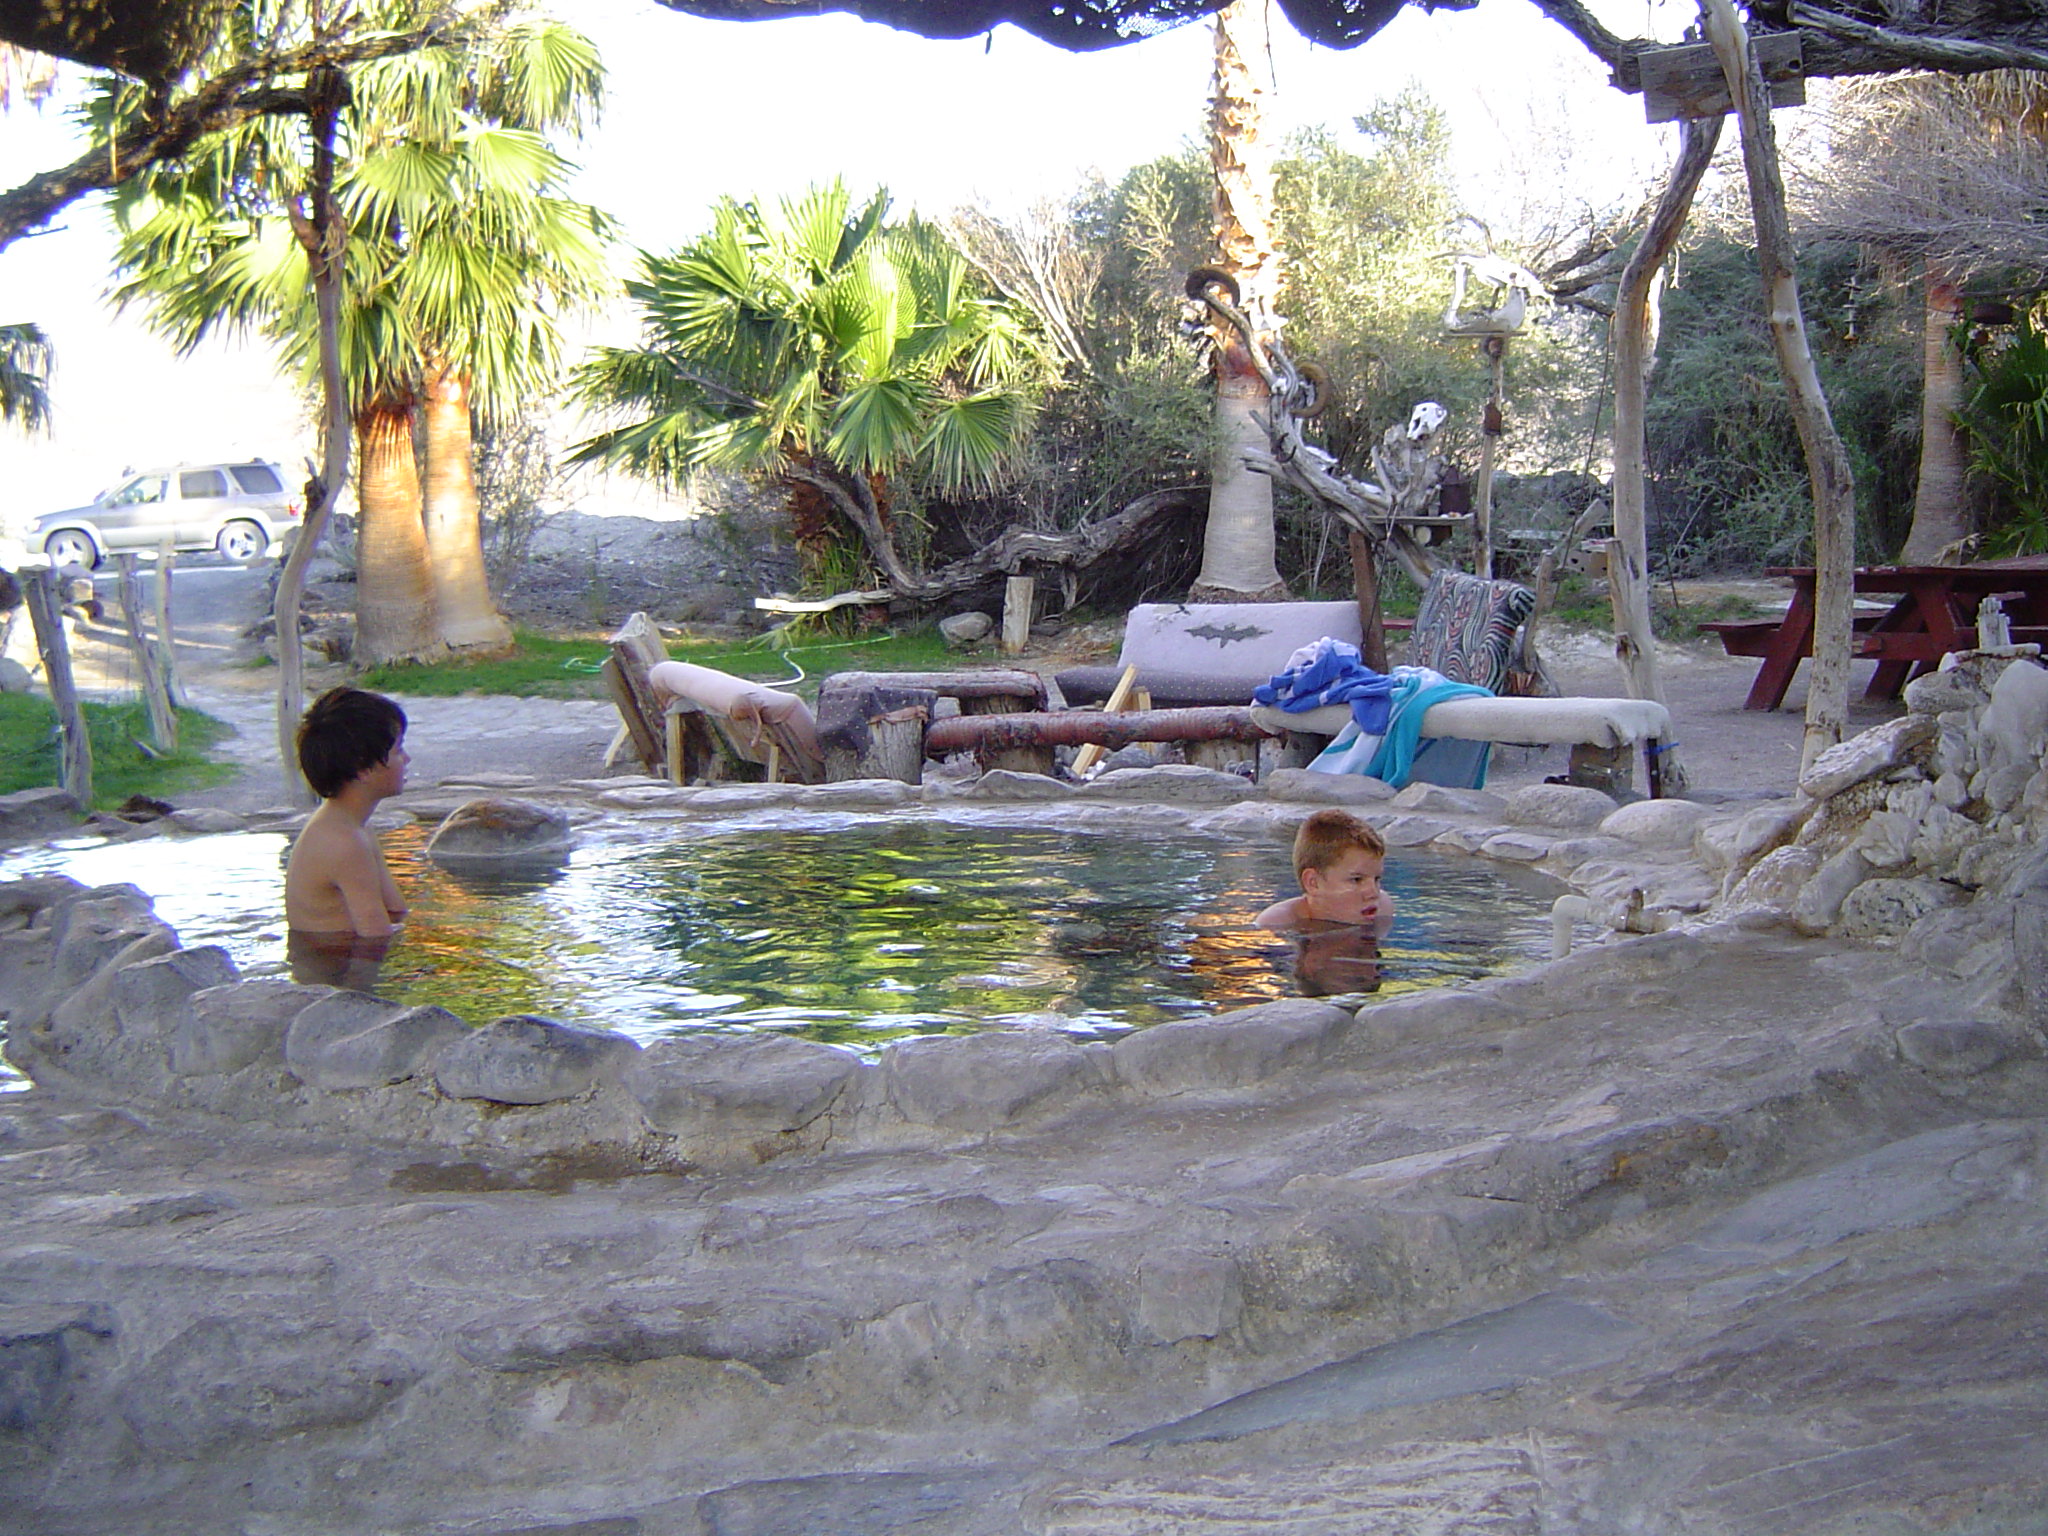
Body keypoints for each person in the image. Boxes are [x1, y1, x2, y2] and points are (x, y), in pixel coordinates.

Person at [284, 687, 410, 987]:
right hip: (333, 979)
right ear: (364, 768)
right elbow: (375, 937)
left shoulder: (356, 827)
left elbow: (396, 910)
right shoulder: (343, 842)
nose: (407, 758)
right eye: (397, 750)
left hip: (342, 961)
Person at [1254, 809, 1396, 998]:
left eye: (1377, 879)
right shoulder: (1277, 922)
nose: (1373, 893)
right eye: (1356, 880)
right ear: (1313, 882)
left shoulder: (1383, 908)